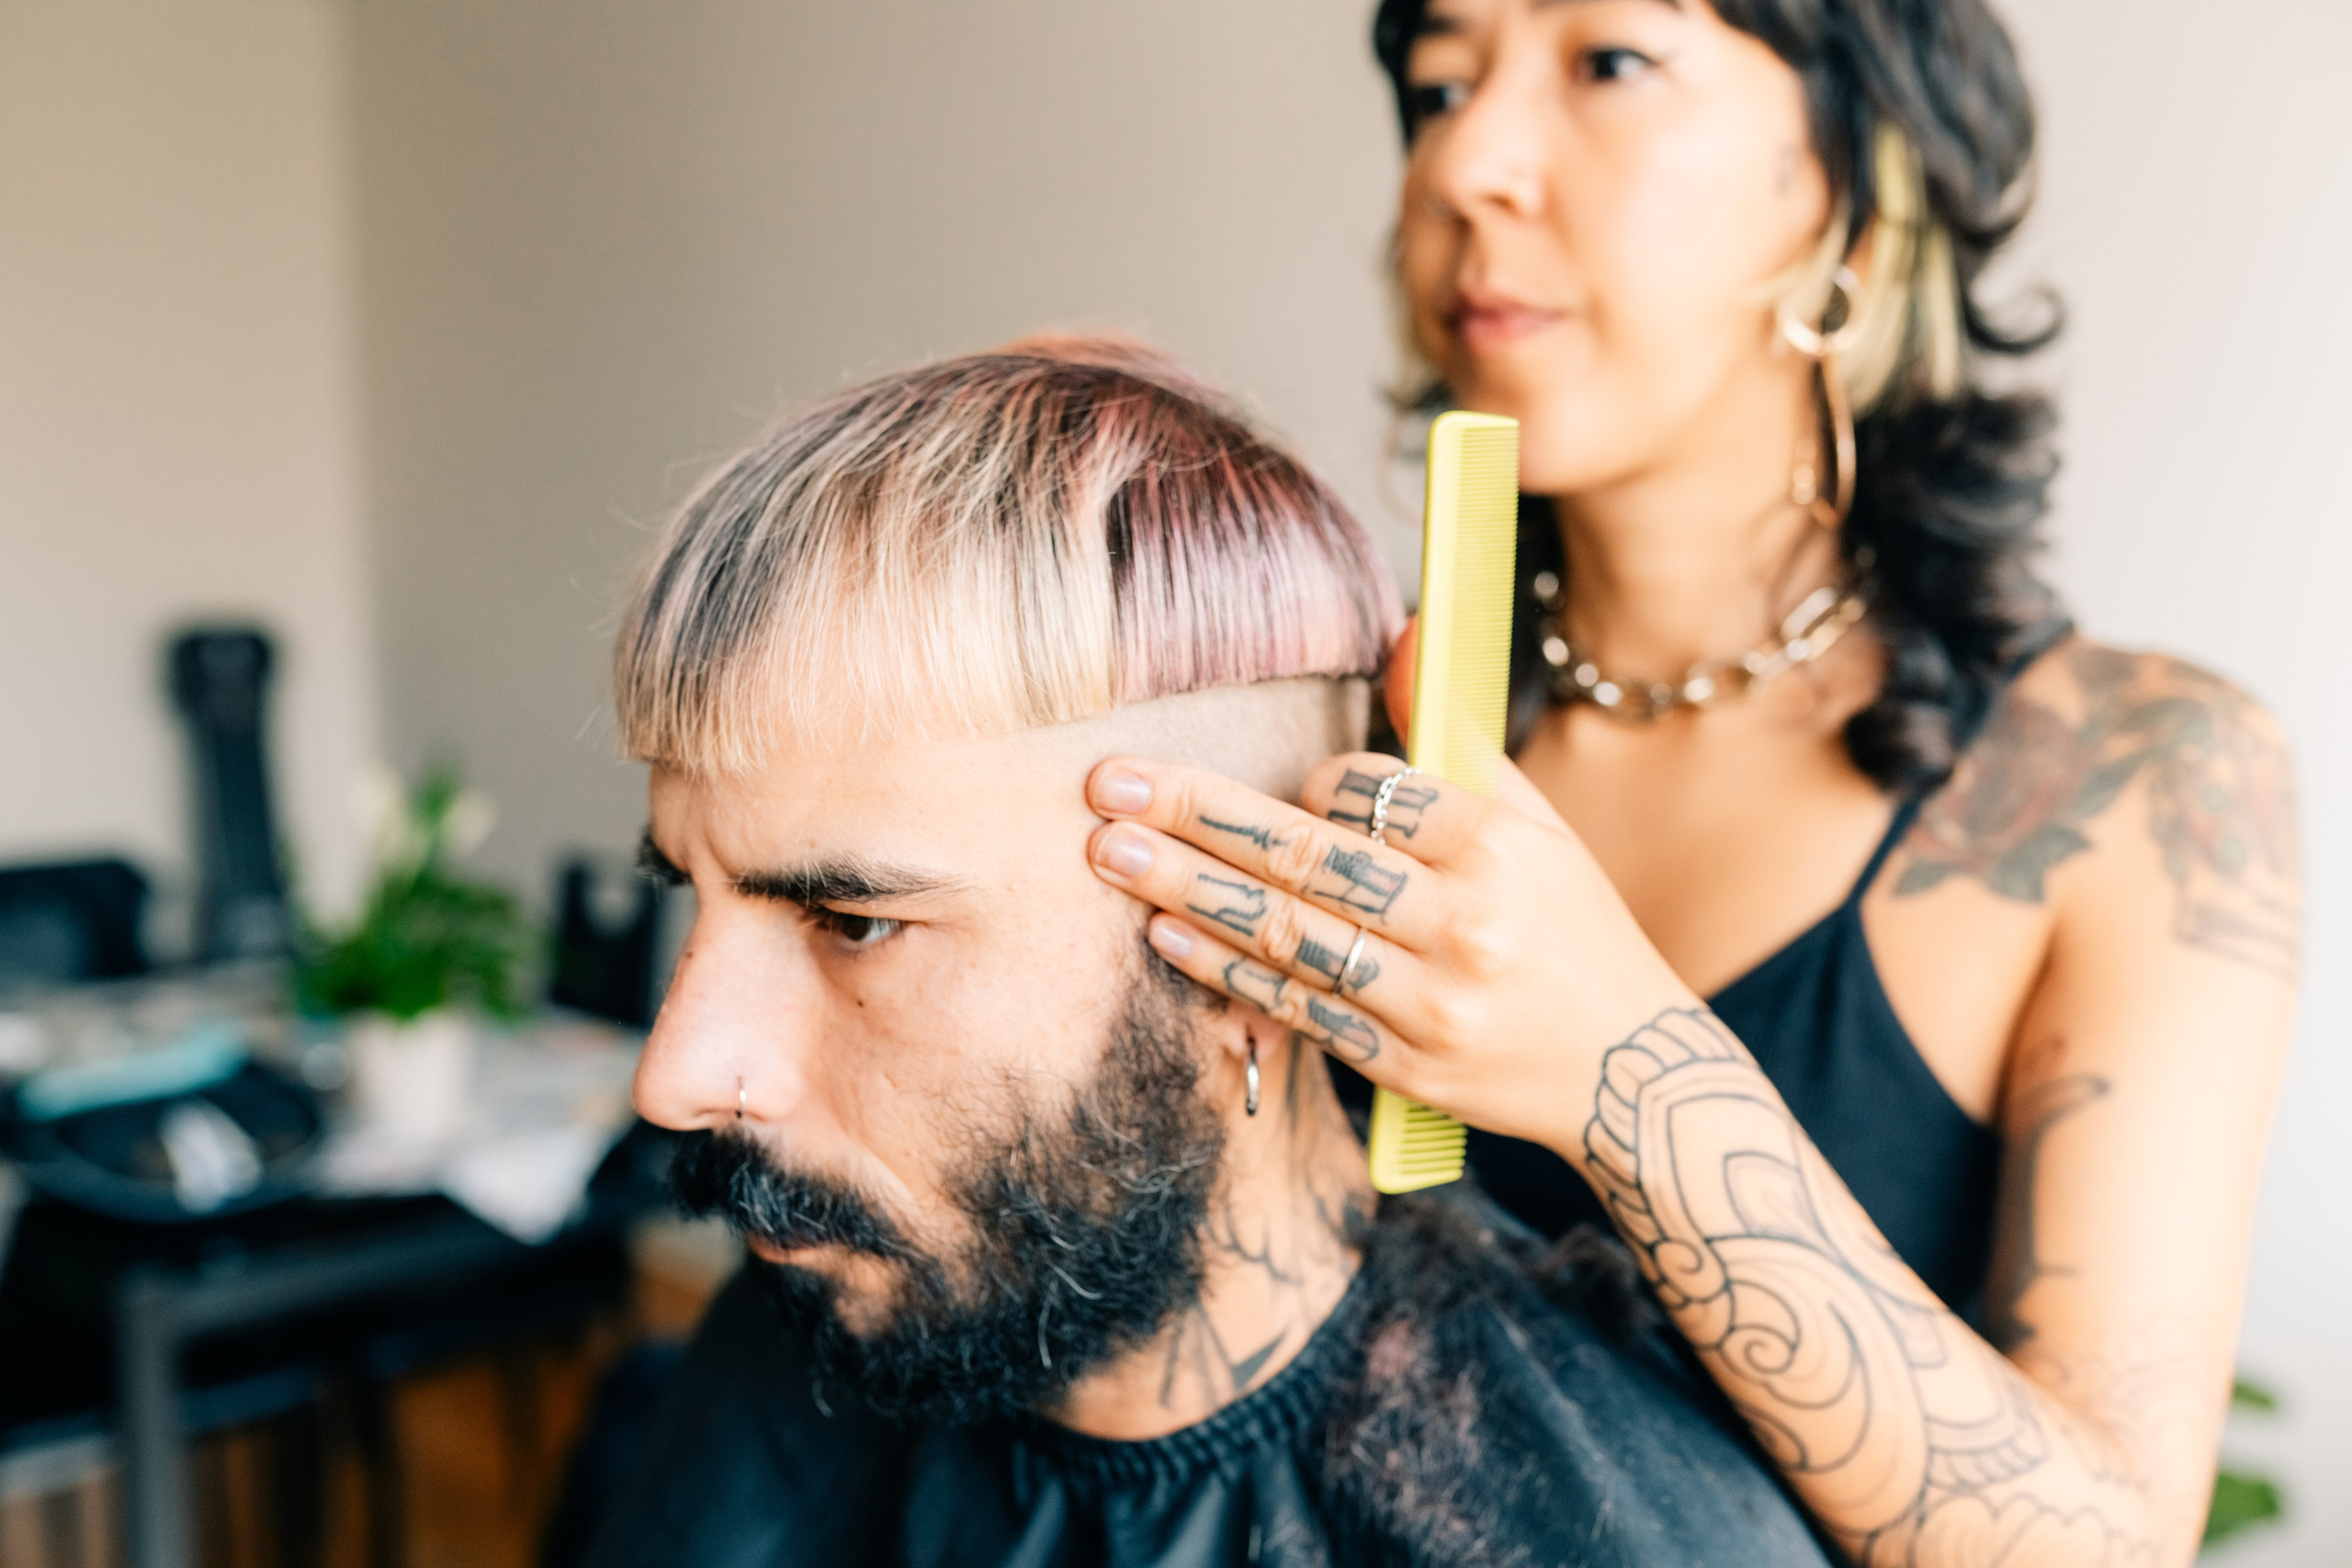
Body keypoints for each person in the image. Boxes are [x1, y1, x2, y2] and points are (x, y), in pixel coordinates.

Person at [1095, 3, 2300, 1565]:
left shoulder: (2136, 780)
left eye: (1610, 63)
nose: (1467, 160)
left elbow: (2107, 1547)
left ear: (1857, 183)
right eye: (1439, 84)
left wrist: (1624, 1075)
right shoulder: (1301, 731)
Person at [587, 342, 1838, 1566]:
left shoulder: (1608, 1529)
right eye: (696, 897)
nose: (678, 1073)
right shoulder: (835, 1301)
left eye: (854, 922)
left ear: (1256, 947)